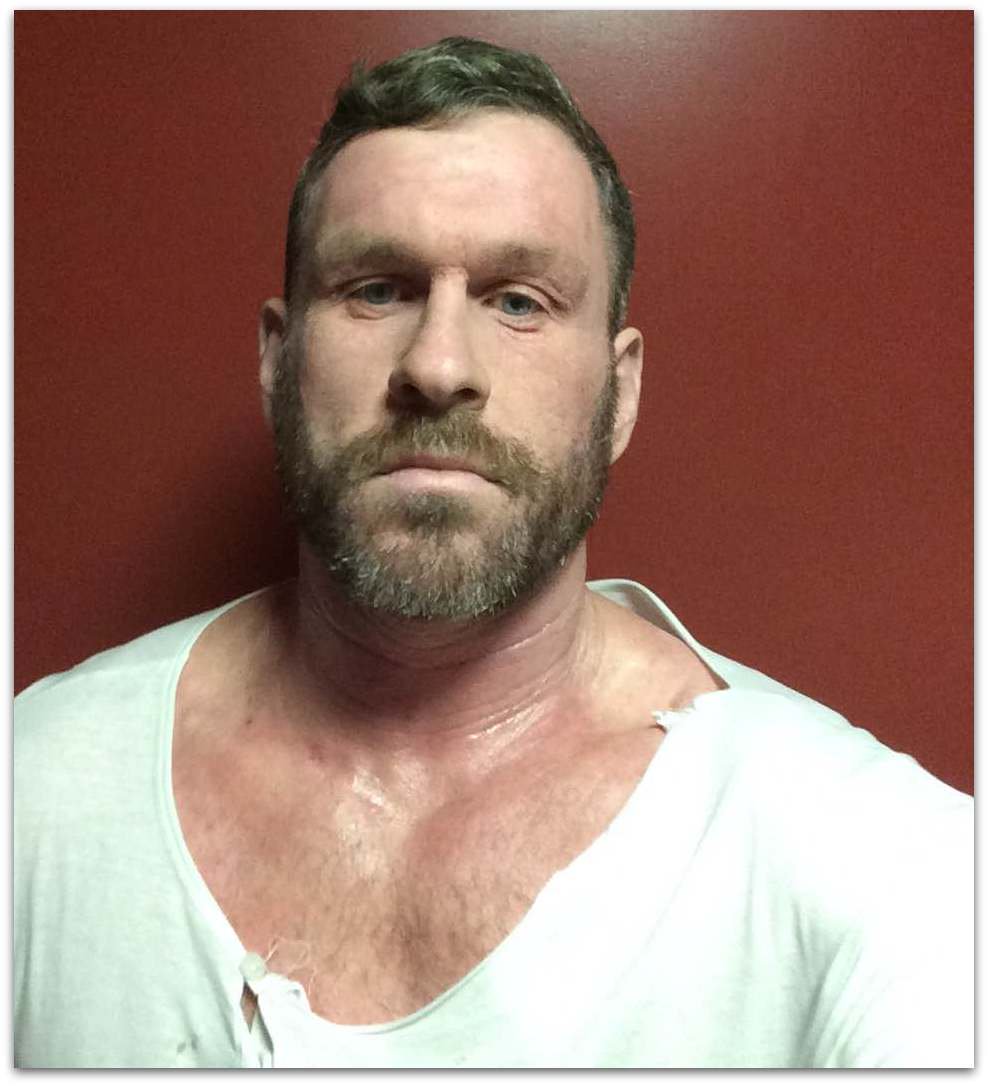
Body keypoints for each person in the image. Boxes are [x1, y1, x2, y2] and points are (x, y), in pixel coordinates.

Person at [13, 37, 971, 1069]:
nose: (437, 366)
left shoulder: (882, 867)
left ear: (619, 394)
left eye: (519, 301)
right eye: (377, 289)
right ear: (278, 361)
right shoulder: (36, 786)